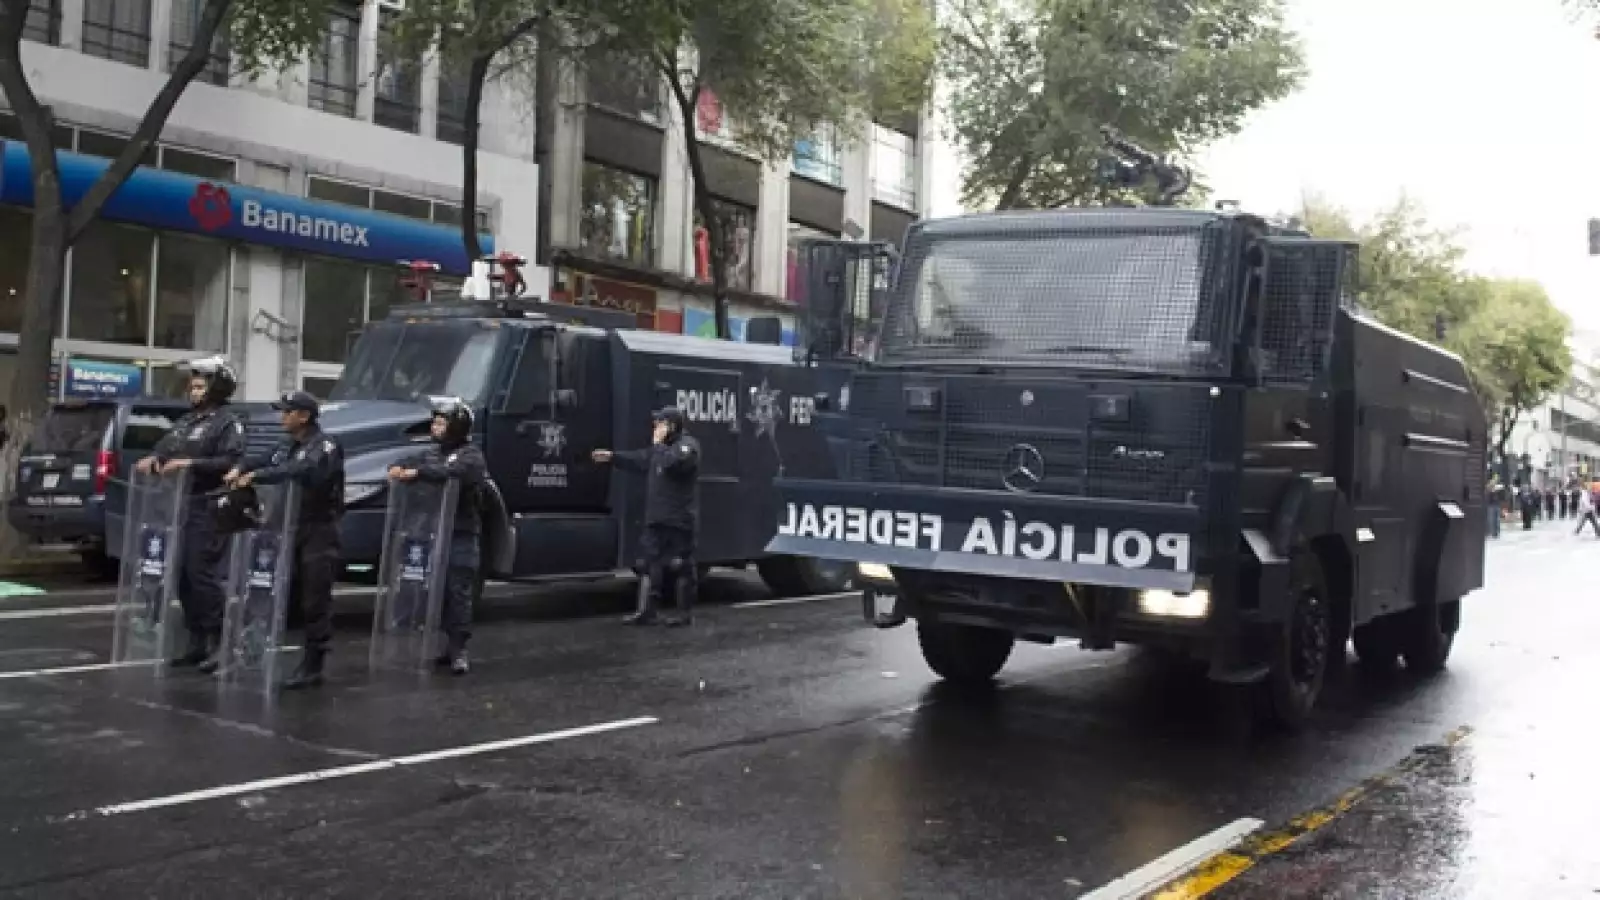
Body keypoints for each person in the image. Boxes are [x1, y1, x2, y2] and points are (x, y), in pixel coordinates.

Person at [225, 391, 345, 690]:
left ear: (304, 416)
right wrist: (242, 468)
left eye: (287, 412)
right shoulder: (287, 445)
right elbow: (263, 458)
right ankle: (255, 653)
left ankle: (314, 663)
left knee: (314, 598)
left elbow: (303, 470)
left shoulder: (325, 446)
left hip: (317, 530)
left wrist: (259, 477)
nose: (283, 417)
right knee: (278, 593)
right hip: (286, 528)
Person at [135, 356, 245, 673]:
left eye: (200, 386)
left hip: (210, 506)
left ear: (217, 387)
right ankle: (196, 642)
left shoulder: (227, 421)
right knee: (182, 575)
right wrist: (155, 460)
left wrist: (190, 464)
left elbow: (231, 461)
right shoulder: (187, 422)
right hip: (181, 506)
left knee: (201, 574)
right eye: (192, 386)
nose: (193, 392)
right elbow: (165, 448)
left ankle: (222, 643)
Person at [386, 397, 488, 675]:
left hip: (461, 533)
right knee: (435, 591)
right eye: (436, 422)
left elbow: (454, 473)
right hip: (432, 532)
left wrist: (417, 473)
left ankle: (458, 650)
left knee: (459, 591)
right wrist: (396, 469)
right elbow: (405, 462)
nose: (436, 427)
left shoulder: (471, 455)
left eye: (442, 423)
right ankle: (435, 644)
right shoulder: (430, 452)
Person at [591, 407, 701, 627]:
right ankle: (646, 611)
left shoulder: (687, 446)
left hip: (679, 519)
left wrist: (659, 445)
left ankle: (684, 614)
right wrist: (613, 457)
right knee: (649, 564)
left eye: (660, 424)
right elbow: (640, 458)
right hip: (656, 518)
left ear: (671, 426)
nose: (655, 428)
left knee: (680, 566)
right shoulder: (659, 450)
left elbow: (673, 464)